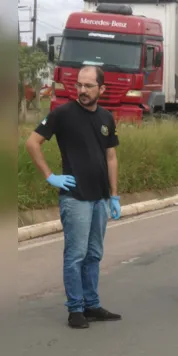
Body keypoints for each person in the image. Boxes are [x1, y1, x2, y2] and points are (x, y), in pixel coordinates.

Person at [25, 66, 122, 329]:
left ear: (101, 89)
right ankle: (75, 309)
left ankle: (92, 304)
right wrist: (50, 176)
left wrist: (114, 195)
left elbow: (111, 157)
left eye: (89, 86)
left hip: (100, 197)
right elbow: (32, 142)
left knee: (94, 254)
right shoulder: (63, 114)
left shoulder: (106, 117)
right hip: (75, 197)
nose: (82, 90)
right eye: (79, 85)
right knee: (76, 254)